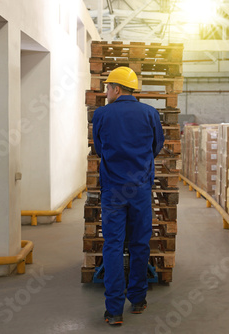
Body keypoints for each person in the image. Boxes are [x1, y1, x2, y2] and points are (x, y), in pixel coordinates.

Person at [92, 67, 165, 326]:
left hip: (113, 189)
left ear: (117, 89)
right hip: (140, 189)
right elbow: (157, 146)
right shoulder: (150, 113)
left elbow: (99, 148)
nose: (106, 92)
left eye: (108, 88)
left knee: (113, 244)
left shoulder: (101, 114)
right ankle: (138, 300)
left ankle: (114, 310)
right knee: (139, 244)